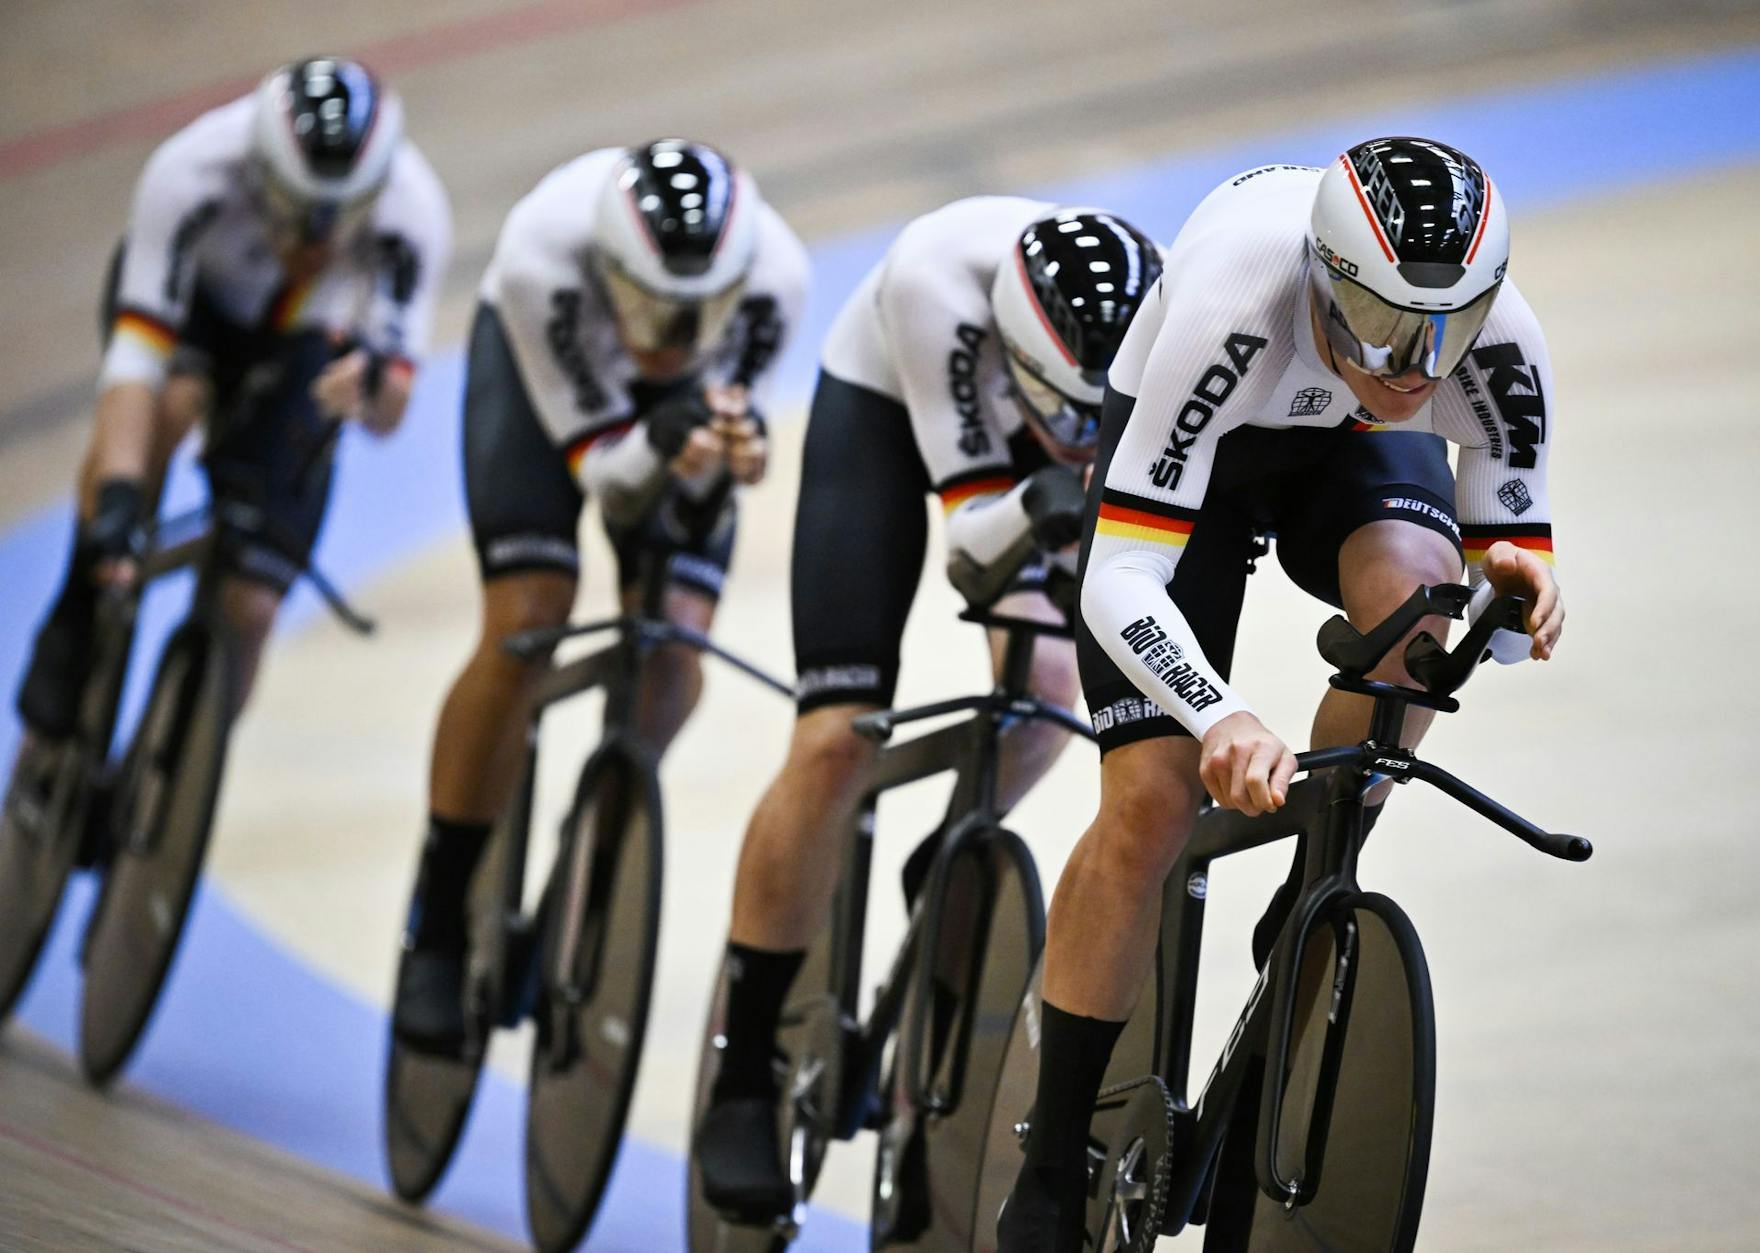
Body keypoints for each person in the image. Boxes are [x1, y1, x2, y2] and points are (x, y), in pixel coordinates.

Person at [995, 137, 1566, 1249]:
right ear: (1322, 278)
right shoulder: (1233, 303)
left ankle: (1315, 874)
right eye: (1388, 327)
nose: (1415, 364)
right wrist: (1219, 715)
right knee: (1152, 800)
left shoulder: (1495, 348)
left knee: (1415, 611)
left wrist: (1517, 599)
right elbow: (1119, 576)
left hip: (1349, 453)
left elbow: (1496, 608)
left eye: (1444, 330)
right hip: (1204, 444)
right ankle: (1052, 1154)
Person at [692, 196, 1164, 1222]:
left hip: (1026, 452)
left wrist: (1080, 467)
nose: (1083, 444)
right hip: (887, 418)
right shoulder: (931, 283)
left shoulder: (1156, 313)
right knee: (829, 742)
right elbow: (971, 550)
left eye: (1101, 424)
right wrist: (1056, 497)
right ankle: (739, 1069)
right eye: (1069, 421)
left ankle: (946, 849)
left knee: (1041, 693)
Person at [392, 139, 810, 1049]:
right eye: (654, 309)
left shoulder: (776, 278)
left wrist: (717, 460)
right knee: (529, 619)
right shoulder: (546, 252)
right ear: (613, 270)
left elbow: (700, 496)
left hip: (661, 421)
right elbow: (612, 484)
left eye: (698, 316)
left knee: (676, 657)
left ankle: (582, 879)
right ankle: (438, 915)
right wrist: (665, 440)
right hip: (547, 379)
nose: (672, 339)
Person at [11, 55, 449, 763]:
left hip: (304, 343)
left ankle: (170, 778)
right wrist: (120, 498)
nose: (318, 240)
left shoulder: (413, 210)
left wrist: (371, 389)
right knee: (172, 408)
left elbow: (391, 412)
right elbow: (137, 363)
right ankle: (77, 612)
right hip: (196, 311)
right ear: (261, 174)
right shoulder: (190, 172)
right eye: (300, 212)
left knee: (252, 607)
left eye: (340, 217)